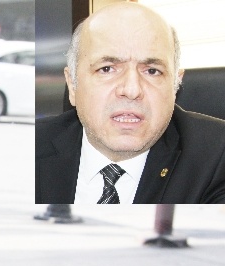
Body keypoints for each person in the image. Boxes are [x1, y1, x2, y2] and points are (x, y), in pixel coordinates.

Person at [35, 2, 225, 204]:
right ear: (73, 85)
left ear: (175, 85)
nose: (132, 90)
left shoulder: (217, 157)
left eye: (152, 71)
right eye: (107, 69)